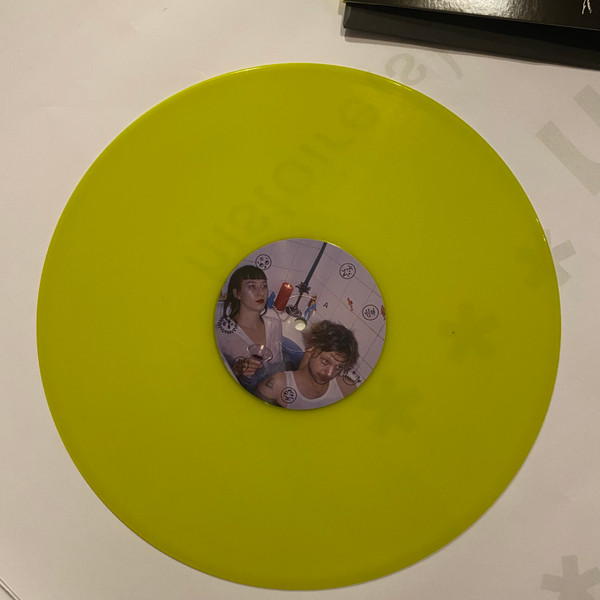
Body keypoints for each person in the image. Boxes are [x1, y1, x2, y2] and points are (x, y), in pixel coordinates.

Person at [257, 320, 358, 409]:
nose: (329, 374)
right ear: (310, 350)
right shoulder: (277, 385)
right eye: (325, 361)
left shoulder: (346, 387)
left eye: (339, 367)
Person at [215, 265, 284, 390]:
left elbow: (280, 368)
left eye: (264, 286)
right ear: (237, 293)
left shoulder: (275, 324)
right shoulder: (222, 333)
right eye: (252, 286)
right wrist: (236, 370)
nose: (261, 292)